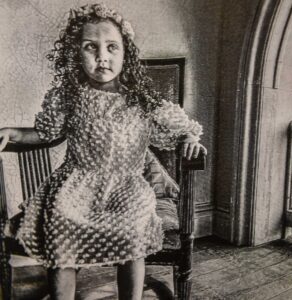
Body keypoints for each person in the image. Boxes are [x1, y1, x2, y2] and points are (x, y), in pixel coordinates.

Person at [0, 3, 206, 300]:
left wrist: (189, 137)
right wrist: (14, 132)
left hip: (126, 186)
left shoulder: (141, 100)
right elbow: (47, 133)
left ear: (126, 53)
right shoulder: (70, 96)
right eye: (90, 48)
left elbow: (179, 128)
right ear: (75, 53)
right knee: (62, 219)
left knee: (134, 223)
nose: (102, 57)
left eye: (112, 47)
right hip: (77, 184)